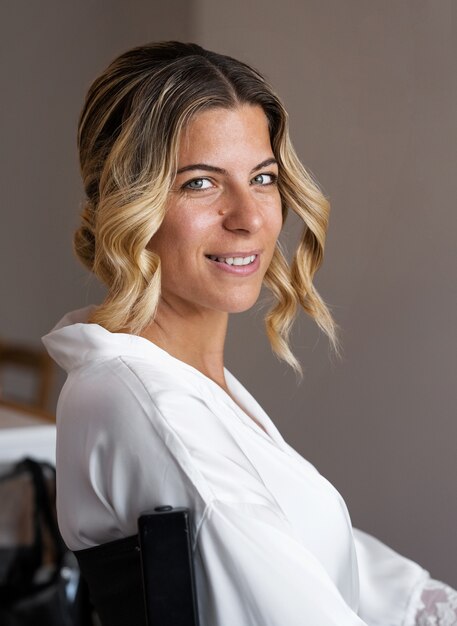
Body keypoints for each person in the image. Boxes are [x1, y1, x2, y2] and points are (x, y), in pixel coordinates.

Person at [42, 41, 456, 625]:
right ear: (127, 201)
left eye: (262, 177)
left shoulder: (181, 384)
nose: (250, 217)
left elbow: (316, 555)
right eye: (199, 183)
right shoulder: (148, 403)